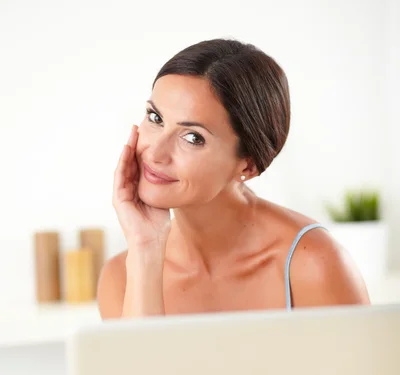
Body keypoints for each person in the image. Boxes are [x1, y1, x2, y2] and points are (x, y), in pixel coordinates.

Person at [98, 38, 369, 319]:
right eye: (155, 118)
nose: (155, 153)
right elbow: (138, 366)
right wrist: (146, 248)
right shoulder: (122, 276)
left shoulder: (311, 263)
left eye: (193, 137)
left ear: (249, 165)